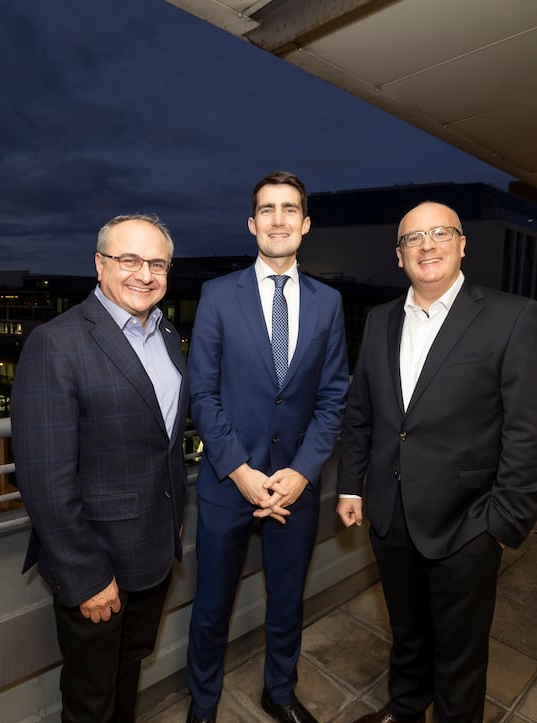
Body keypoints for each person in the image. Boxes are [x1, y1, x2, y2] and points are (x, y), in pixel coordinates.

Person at [336, 201, 537, 723]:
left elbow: (530, 433)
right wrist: (351, 486)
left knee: (459, 651)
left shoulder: (512, 316)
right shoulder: (380, 319)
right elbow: (360, 411)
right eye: (413, 238)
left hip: (468, 523)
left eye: (439, 233)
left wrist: (503, 524)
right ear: (399, 256)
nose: (427, 245)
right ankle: (406, 707)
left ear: (462, 244)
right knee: (407, 632)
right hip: (390, 515)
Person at [11, 214, 189, 723]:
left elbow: (166, 441)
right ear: (99, 264)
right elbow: (45, 478)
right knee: (90, 699)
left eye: (157, 263)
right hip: (97, 561)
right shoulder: (57, 343)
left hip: (153, 549)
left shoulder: (168, 334)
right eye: (128, 259)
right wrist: (86, 575)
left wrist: (175, 510)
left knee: (128, 672)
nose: (144, 273)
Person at [186, 171, 349, 723]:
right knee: (211, 608)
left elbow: (332, 399)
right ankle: (202, 707)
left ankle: (278, 693)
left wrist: (302, 473)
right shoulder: (216, 295)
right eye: (266, 209)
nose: (278, 219)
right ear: (252, 224)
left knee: (286, 603)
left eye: (289, 209)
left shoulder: (329, 304)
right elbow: (202, 394)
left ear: (305, 224)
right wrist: (240, 470)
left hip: (296, 487)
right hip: (229, 483)